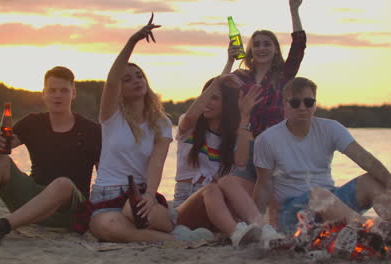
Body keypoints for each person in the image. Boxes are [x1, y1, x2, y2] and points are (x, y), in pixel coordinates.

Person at [253, 77, 391, 247]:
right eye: (295, 103)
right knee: (318, 195)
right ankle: (375, 229)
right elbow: (264, 185)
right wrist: (256, 223)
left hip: (333, 202)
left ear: (315, 104)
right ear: (285, 104)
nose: (303, 108)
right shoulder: (267, 140)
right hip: (293, 214)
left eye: (308, 102)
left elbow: (363, 157)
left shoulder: (330, 128)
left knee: (369, 180)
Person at [0, 66, 101, 246]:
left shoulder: (92, 130)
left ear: (73, 93)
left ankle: (2, 226)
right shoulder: (33, 122)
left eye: (64, 90)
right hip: (31, 205)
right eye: (52, 90)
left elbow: (105, 176)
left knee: (63, 183)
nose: (58, 95)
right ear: (43, 94)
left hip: (70, 211)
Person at [85, 15, 176, 243]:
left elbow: (157, 163)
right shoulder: (111, 116)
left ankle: (148, 229)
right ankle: (166, 240)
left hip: (140, 194)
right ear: (120, 89)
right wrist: (132, 41)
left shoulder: (162, 122)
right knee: (107, 226)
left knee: (137, 211)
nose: (136, 80)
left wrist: (149, 195)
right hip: (106, 196)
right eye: (128, 79)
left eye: (139, 76)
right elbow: (112, 80)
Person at [217, 0, 307, 232]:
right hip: (246, 143)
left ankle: (275, 232)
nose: (262, 48)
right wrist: (228, 63)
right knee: (236, 189)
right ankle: (250, 229)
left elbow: (298, 46)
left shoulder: (283, 76)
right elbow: (216, 90)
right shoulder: (242, 77)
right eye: (256, 44)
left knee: (276, 196)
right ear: (250, 51)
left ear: (275, 49)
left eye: (267, 44)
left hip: (276, 146)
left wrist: (294, 10)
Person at [172, 74, 263, 246]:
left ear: (227, 104)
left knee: (228, 182)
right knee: (211, 190)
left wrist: (244, 117)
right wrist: (221, 78)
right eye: (205, 96)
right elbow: (192, 117)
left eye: (214, 98)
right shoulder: (188, 126)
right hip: (186, 205)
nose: (207, 102)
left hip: (218, 212)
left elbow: (242, 163)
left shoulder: (235, 135)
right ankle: (236, 234)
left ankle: (263, 229)